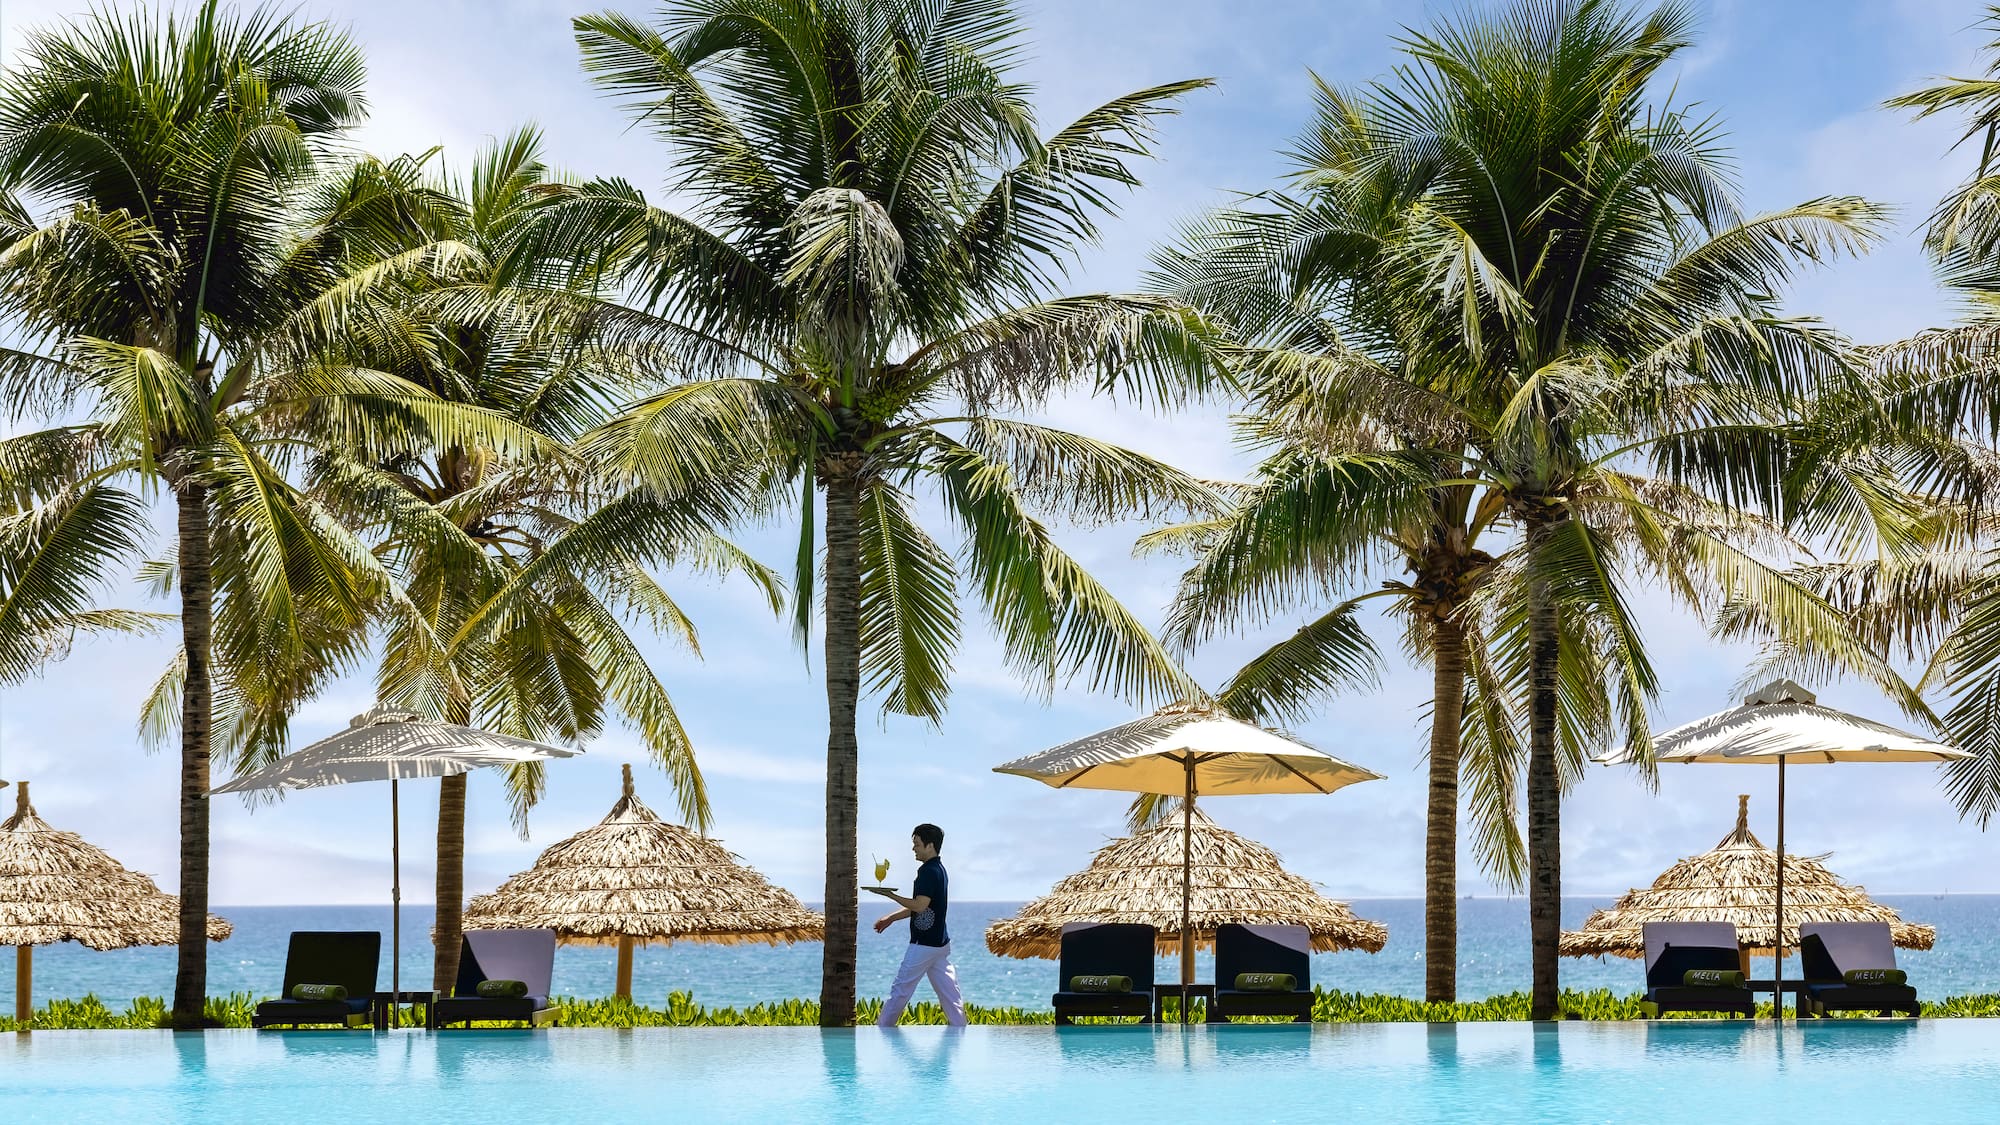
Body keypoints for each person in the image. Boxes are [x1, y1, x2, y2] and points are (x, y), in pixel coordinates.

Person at [872, 823, 965, 1027]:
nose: (913, 848)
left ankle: (883, 1031)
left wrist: (891, 895)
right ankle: (960, 1032)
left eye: (917, 844)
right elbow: (921, 906)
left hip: (923, 945)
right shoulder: (939, 869)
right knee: (951, 996)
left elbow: (920, 906)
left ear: (930, 846)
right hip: (939, 944)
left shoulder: (928, 872)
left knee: (900, 991)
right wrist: (891, 918)